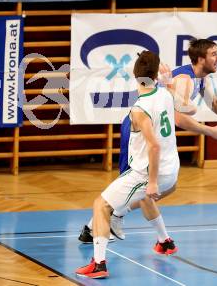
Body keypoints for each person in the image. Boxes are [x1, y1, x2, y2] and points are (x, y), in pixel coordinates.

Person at [79, 39, 217, 243]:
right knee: (134, 185)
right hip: (140, 129)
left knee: (167, 187)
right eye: (214, 54)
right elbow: (177, 117)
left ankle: (95, 226)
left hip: (155, 130)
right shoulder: (185, 80)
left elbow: (213, 102)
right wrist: (211, 131)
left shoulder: (200, 78)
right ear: (200, 59)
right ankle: (110, 221)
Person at [76, 51, 180, 279]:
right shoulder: (166, 95)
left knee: (101, 205)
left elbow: (154, 146)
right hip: (172, 169)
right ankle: (165, 242)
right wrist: (169, 81)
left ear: (134, 75)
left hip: (148, 173)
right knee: (141, 199)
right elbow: (174, 99)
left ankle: (99, 264)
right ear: (155, 75)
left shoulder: (139, 109)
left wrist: (152, 182)